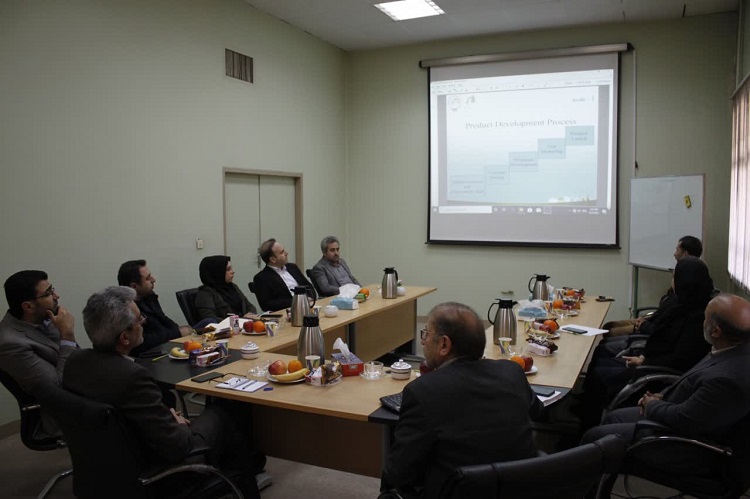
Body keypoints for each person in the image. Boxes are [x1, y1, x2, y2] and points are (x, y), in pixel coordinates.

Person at [63, 286, 262, 497]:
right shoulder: (133, 376)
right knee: (228, 409)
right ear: (124, 338)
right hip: (156, 474)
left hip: (104, 470)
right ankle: (243, 482)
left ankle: (234, 478)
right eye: (139, 320)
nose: (144, 322)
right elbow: (178, 446)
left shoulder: (75, 361)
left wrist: (164, 417)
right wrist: (176, 423)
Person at [582, 293, 750, 488]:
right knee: (613, 418)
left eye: (705, 319)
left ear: (716, 331)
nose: (701, 323)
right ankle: (596, 487)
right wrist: (662, 396)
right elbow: (691, 382)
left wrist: (652, 405)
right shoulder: (730, 349)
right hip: (675, 414)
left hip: (687, 446)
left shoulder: (728, 380)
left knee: (593, 438)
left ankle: (577, 488)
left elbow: (684, 420)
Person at [381, 302, 543, 497]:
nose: (423, 341)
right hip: (520, 489)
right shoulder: (512, 372)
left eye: (426, 334)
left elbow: (399, 473)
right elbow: (538, 411)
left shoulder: (422, 391)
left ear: (444, 344)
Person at [576, 256, 714, 429]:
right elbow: (663, 334)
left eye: (676, 277)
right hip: (652, 360)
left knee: (600, 373)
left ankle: (587, 424)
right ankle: (584, 407)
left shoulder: (698, 317)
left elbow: (681, 359)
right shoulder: (685, 303)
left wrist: (644, 360)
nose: (673, 281)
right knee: (599, 363)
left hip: (657, 373)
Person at [0, 270, 78, 439]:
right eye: (48, 293)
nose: (56, 296)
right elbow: (57, 390)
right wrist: (67, 334)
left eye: (52, 289)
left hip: (80, 386)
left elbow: (75, 357)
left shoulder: (43, 317)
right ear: (28, 306)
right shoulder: (9, 344)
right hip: (63, 411)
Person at [604, 235, 703, 337]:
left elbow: (666, 322)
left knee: (609, 332)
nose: (674, 254)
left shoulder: (686, 283)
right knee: (609, 326)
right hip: (654, 320)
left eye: (677, 250)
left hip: (654, 328)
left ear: (685, 253)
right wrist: (647, 319)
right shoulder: (691, 276)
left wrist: (644, 324)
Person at [117, 260, 195, 357]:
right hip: (149, 355)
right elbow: (141, 342)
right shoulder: (126, 308)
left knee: (205, 324)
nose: (153, 279)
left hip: (166, 343)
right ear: (134, 286)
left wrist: (179, 330)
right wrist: (177, 332)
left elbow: (163, 318)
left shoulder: (149, 296)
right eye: (148, 278)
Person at [252, 238, 314, 312]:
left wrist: (311, 297)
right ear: (273, 259)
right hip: (286, 312)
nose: (286, 253)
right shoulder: (261, 278)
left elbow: (309, 286)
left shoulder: (292, 267)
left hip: (308, 307)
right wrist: (297, 301)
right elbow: (266, 305)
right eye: (282, 252)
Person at [194, 255, 257, 321]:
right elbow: (210, 319)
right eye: (228, 269)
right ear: (217, 272)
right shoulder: (205, 294)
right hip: (226, 327)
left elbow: (250, 306)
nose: (232, 272)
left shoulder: (232, 287)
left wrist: (250, 315)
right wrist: (239, 320)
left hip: (244, 325)